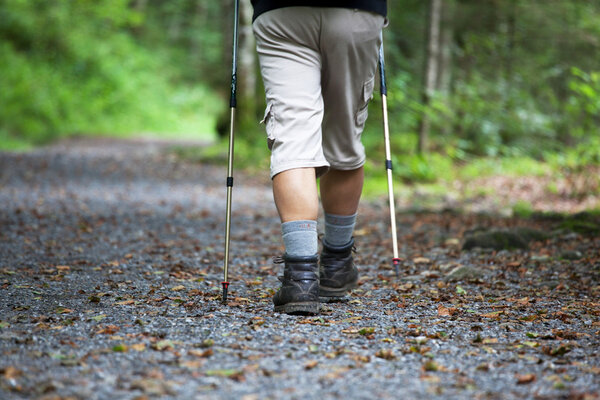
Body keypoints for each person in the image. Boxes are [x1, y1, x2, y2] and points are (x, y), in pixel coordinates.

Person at [251, 0, 388, 314]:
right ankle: (337, 266)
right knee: (344, 140)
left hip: (281, 12)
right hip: (357, 11)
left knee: (293, 140)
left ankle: (300, 278)